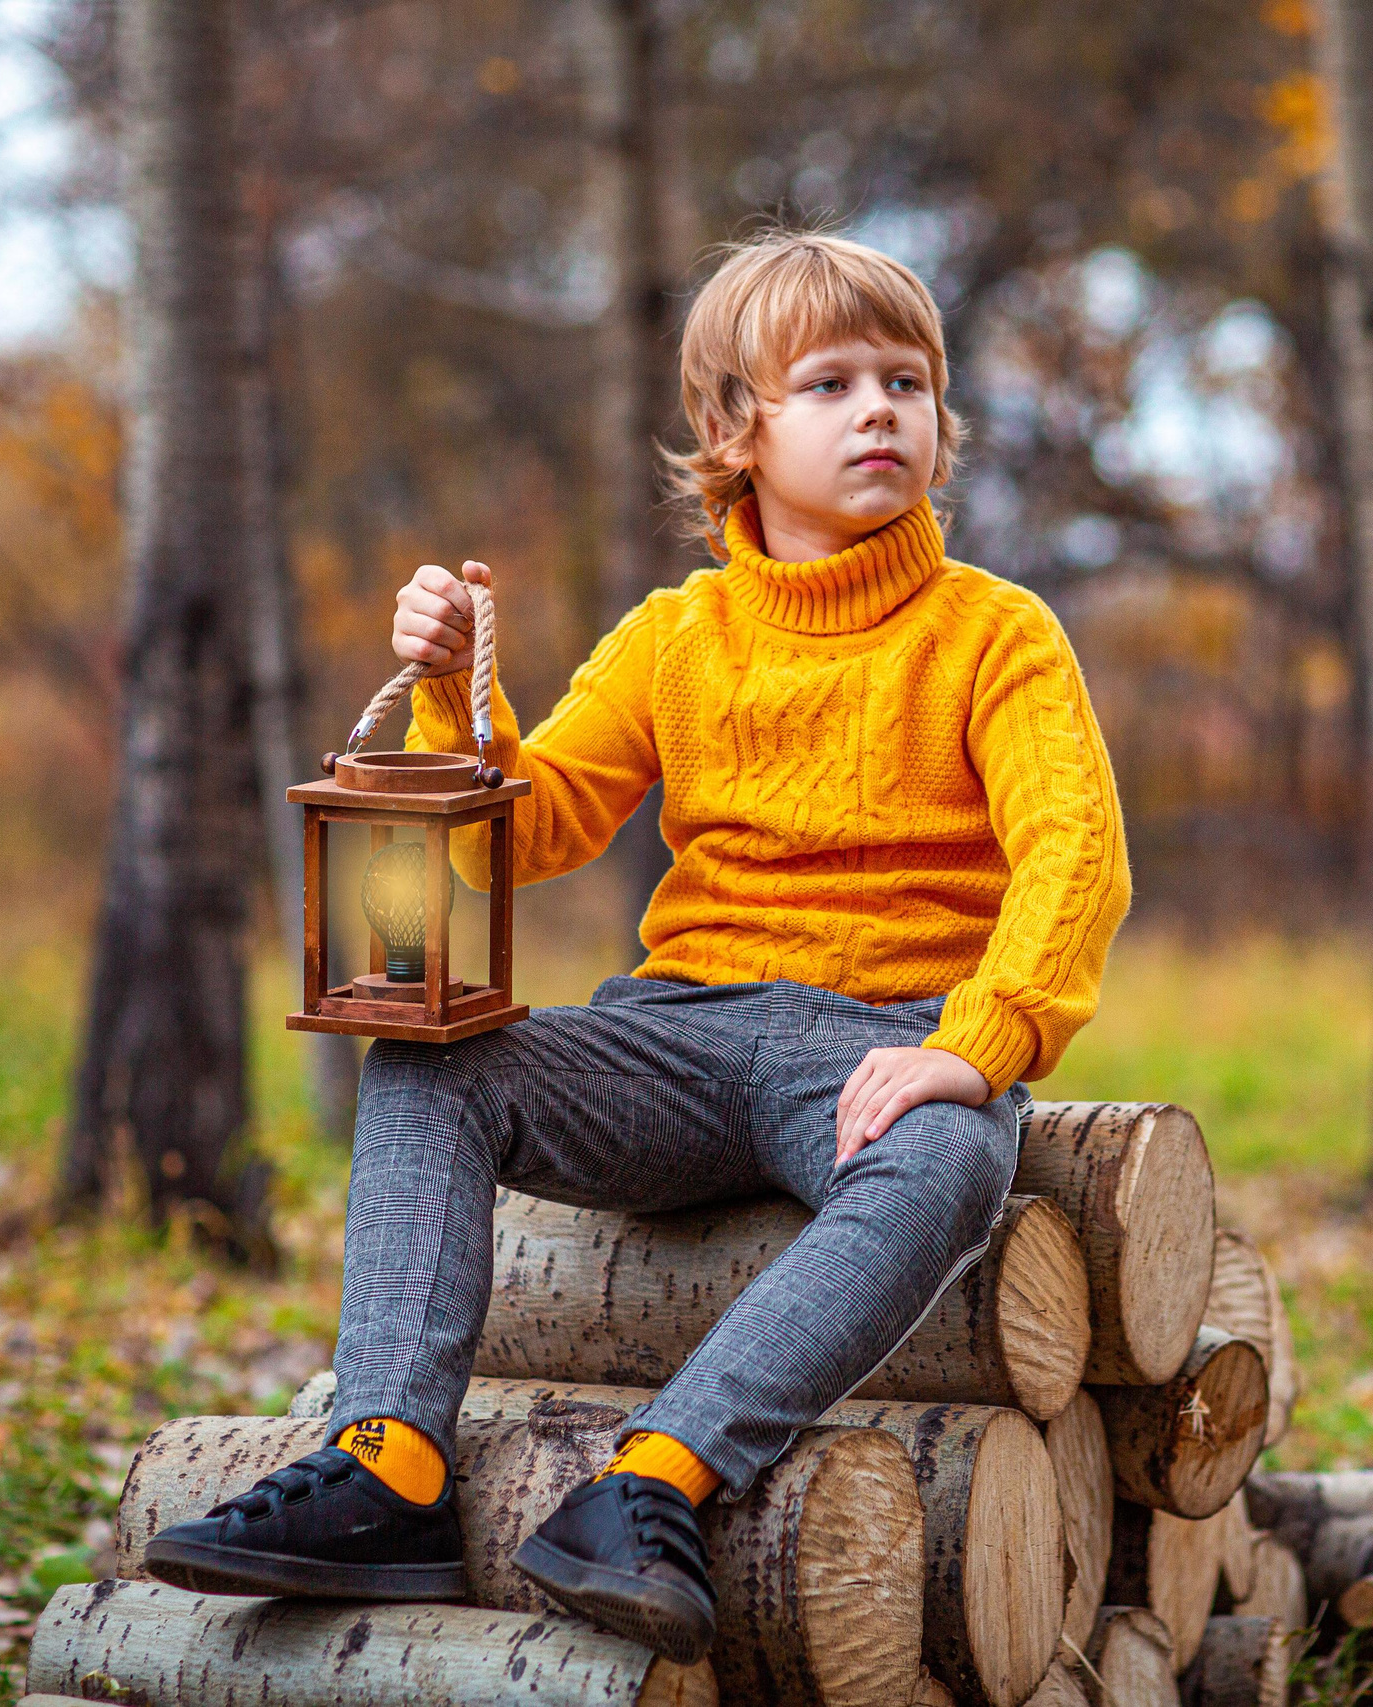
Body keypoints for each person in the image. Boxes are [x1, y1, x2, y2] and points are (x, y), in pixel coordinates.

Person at [140, 229, 1133, 1663]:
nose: (881, 412)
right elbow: (530, 825)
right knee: (434, 1054)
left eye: (909, 383)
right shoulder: (679, 637)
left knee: (955, 1162)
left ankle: (654, 1483)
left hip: (884, 1037)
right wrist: (443, 692)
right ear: (737, 429)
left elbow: (1074, 859)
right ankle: (390, 1470)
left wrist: (974, 1050)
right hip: (676, 1031)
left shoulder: (995, 635)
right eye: (833, 383)